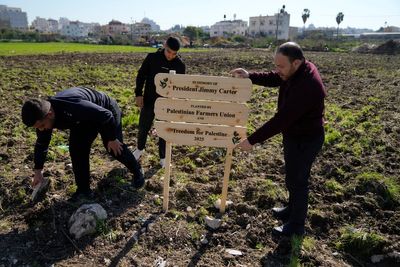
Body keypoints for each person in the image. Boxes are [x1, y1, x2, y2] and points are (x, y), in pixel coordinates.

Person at [231, 42, 326, 237]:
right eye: (276, 64)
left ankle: (296, 225)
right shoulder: (295, 70)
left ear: (297, 62)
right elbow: (277, 77)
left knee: (299, 181)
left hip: (307, 138)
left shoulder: (307, 86)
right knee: (291, 176)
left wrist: (251, 140)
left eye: (281, 66)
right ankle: (291, 210)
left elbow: (280, 120)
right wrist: (250, 75)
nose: (277, 70)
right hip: (294, 134)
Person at [21, 87, 145, 201]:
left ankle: (138, 172)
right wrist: (38, 171)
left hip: (105, 110)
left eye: (42, 126)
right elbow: (42, 144)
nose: (41, 130)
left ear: (50, 114)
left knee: (113, 148)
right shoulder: (42, 117)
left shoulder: (71, 105)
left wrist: (112, 139)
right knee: (77, 150)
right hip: (80, 120)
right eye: (37, 128)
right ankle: (83, 190)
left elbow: (106, 115)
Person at [133, 36, 186, 167]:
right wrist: (138, 94)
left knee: (164, 130)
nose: (171, 56)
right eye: (169, 51)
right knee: (143, 126)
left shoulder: (180, 65)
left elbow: (181, 86)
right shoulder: (152, 58)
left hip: (167, 103)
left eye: (174, 54)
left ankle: (163, 157)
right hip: (149, 99)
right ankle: (139, 149)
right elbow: (141, 75)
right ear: (164, 46)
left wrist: (177, 102)